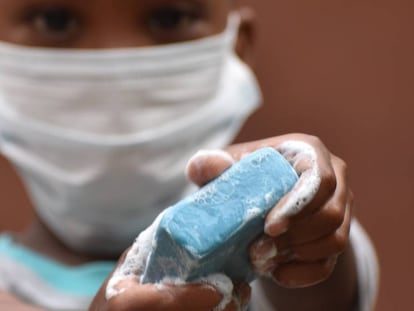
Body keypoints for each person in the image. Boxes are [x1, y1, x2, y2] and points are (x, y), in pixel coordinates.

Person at [0, 0, 379, 310]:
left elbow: (323, 287)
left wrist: (302, 207)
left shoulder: (268, 266)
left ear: (237, 49)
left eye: (168, 17)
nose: (119, 60)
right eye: (54, 20)